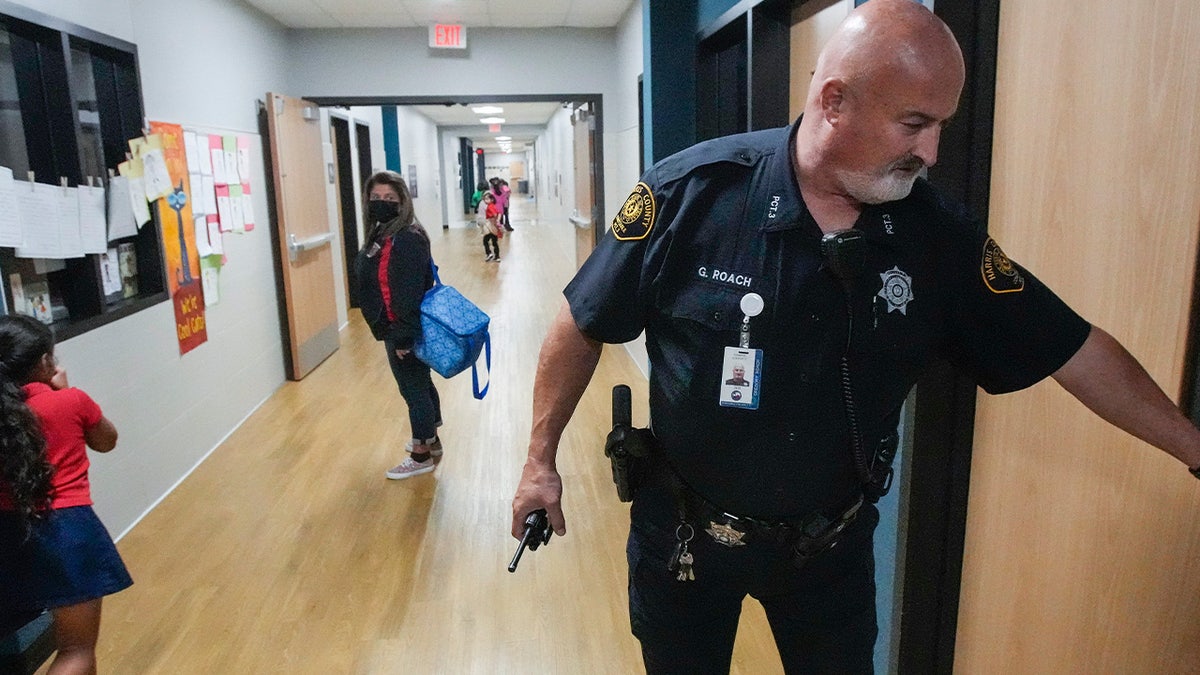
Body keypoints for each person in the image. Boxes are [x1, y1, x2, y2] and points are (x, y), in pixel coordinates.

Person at [509, 1, 1200, 672]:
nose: (930, 151)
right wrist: (540, 460)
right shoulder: (692, 196)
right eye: (914, 123)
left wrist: (1193, 446)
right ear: (834, 101)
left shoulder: (935, 240)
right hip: (685, 538)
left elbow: (1073, 348)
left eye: (941, 126)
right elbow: (581, 321)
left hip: (827, 555)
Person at [0, 314, 130, 675]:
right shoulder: (70, 401)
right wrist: (62, 391)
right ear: (44, 362)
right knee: (76, 649)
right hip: (66, 531)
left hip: (8, 533)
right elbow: (107, 441)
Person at [353, 170, 444, 480]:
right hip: (396, 326)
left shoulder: (404, 238)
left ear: (402, 201)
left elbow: (405, 291)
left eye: (389, 199)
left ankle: (421, 455)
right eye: (375, 198)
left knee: (413, 388)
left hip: (401, 328)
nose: (381, 203)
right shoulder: (385, 232)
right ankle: (430, 439)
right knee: (420, 382)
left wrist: (403, 338)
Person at [479, 191, 503, 262]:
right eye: (485, 199)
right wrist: (498, 221)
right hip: (494, 225)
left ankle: (489, 253)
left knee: (485, 240)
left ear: (492, 199)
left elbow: (495, 214)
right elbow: (499, 213)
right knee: (494, 242)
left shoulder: (490, 207)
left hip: (490, 225)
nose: (485, 201)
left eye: (487, 199)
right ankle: (497, 256)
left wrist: (495, 219)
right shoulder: (494, 206)